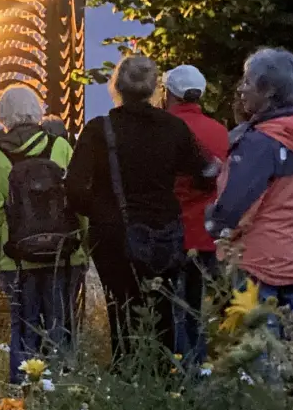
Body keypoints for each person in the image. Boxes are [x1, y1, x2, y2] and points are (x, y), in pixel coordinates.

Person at [67, 56, 214, 364]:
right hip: (164, 231)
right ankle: (163, 378)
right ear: (154, 89)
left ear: (116, 86)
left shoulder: (98, 130)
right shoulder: (173, 127)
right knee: (162, 312)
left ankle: (126, 372)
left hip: (113, 236)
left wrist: (101, 211)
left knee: (120, 309)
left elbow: (75, 188)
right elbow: (205, 173)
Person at [206, 48, 293, 322]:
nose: (241, 89)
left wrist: (213, 224)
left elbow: (235, 208)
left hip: (259, 263)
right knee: (290, 349)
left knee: (255, 351)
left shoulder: (261, 142)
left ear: (268, 91)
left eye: (248, 82)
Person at [0, 85, 85, 382]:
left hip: (17, 258)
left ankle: (22, 395)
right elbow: (77, 199)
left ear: (3, 116)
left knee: (23, 327)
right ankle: (63, 391)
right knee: (61, 326)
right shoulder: (60, 146)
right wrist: (83, 246)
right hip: (62, 255)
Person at [163, 65, 229, 361]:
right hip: (207, 232)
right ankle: (201, 366)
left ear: (168, 94)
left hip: (171, 231)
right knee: (200, 309)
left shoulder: (162, 128)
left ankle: (181, 372)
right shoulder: (219, 131)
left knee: (174, 309)